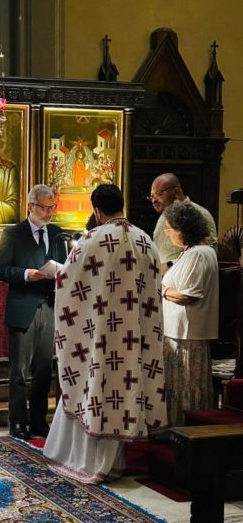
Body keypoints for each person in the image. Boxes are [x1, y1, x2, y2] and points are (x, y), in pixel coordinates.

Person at [44, 184, 167, 484]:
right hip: (134, 335)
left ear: (97, 211)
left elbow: (68, 281)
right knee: (124, 389)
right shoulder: (145, 241)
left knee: (96, 389)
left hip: (100, 334)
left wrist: (55, 274)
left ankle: (89, 461)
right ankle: (113, 461)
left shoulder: (91, 240)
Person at [0, 184, 68, 440]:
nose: (49, 213)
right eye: (45, 208)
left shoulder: (57, 234)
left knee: (44, 371)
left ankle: (39, 421)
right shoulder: (13, 233)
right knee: (19, 372)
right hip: (23, 307)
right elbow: (0, 270)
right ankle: (17, 421)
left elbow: (65, 266)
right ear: (30, 206)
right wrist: (26, 274)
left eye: (52, 207)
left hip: (49, 307)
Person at [161, 201, 219, 427]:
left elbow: (188, 295)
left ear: (183, 229)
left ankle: (185, 433)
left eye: (170, 229)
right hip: (177, 334)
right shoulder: (189, 253)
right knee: (177, 387)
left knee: (186, 388)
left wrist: (162, 290)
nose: (168, 234)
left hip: (188, 337)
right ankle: (175, 430)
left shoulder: (199, 254)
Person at [149, 173, 217, 273]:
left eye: (159, 194)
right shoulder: (164, 216)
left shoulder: (199, 214)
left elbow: (206, 256)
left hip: (186, 277)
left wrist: (170, 265)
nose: (154, 200)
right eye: (152, 196)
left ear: (176, 191)